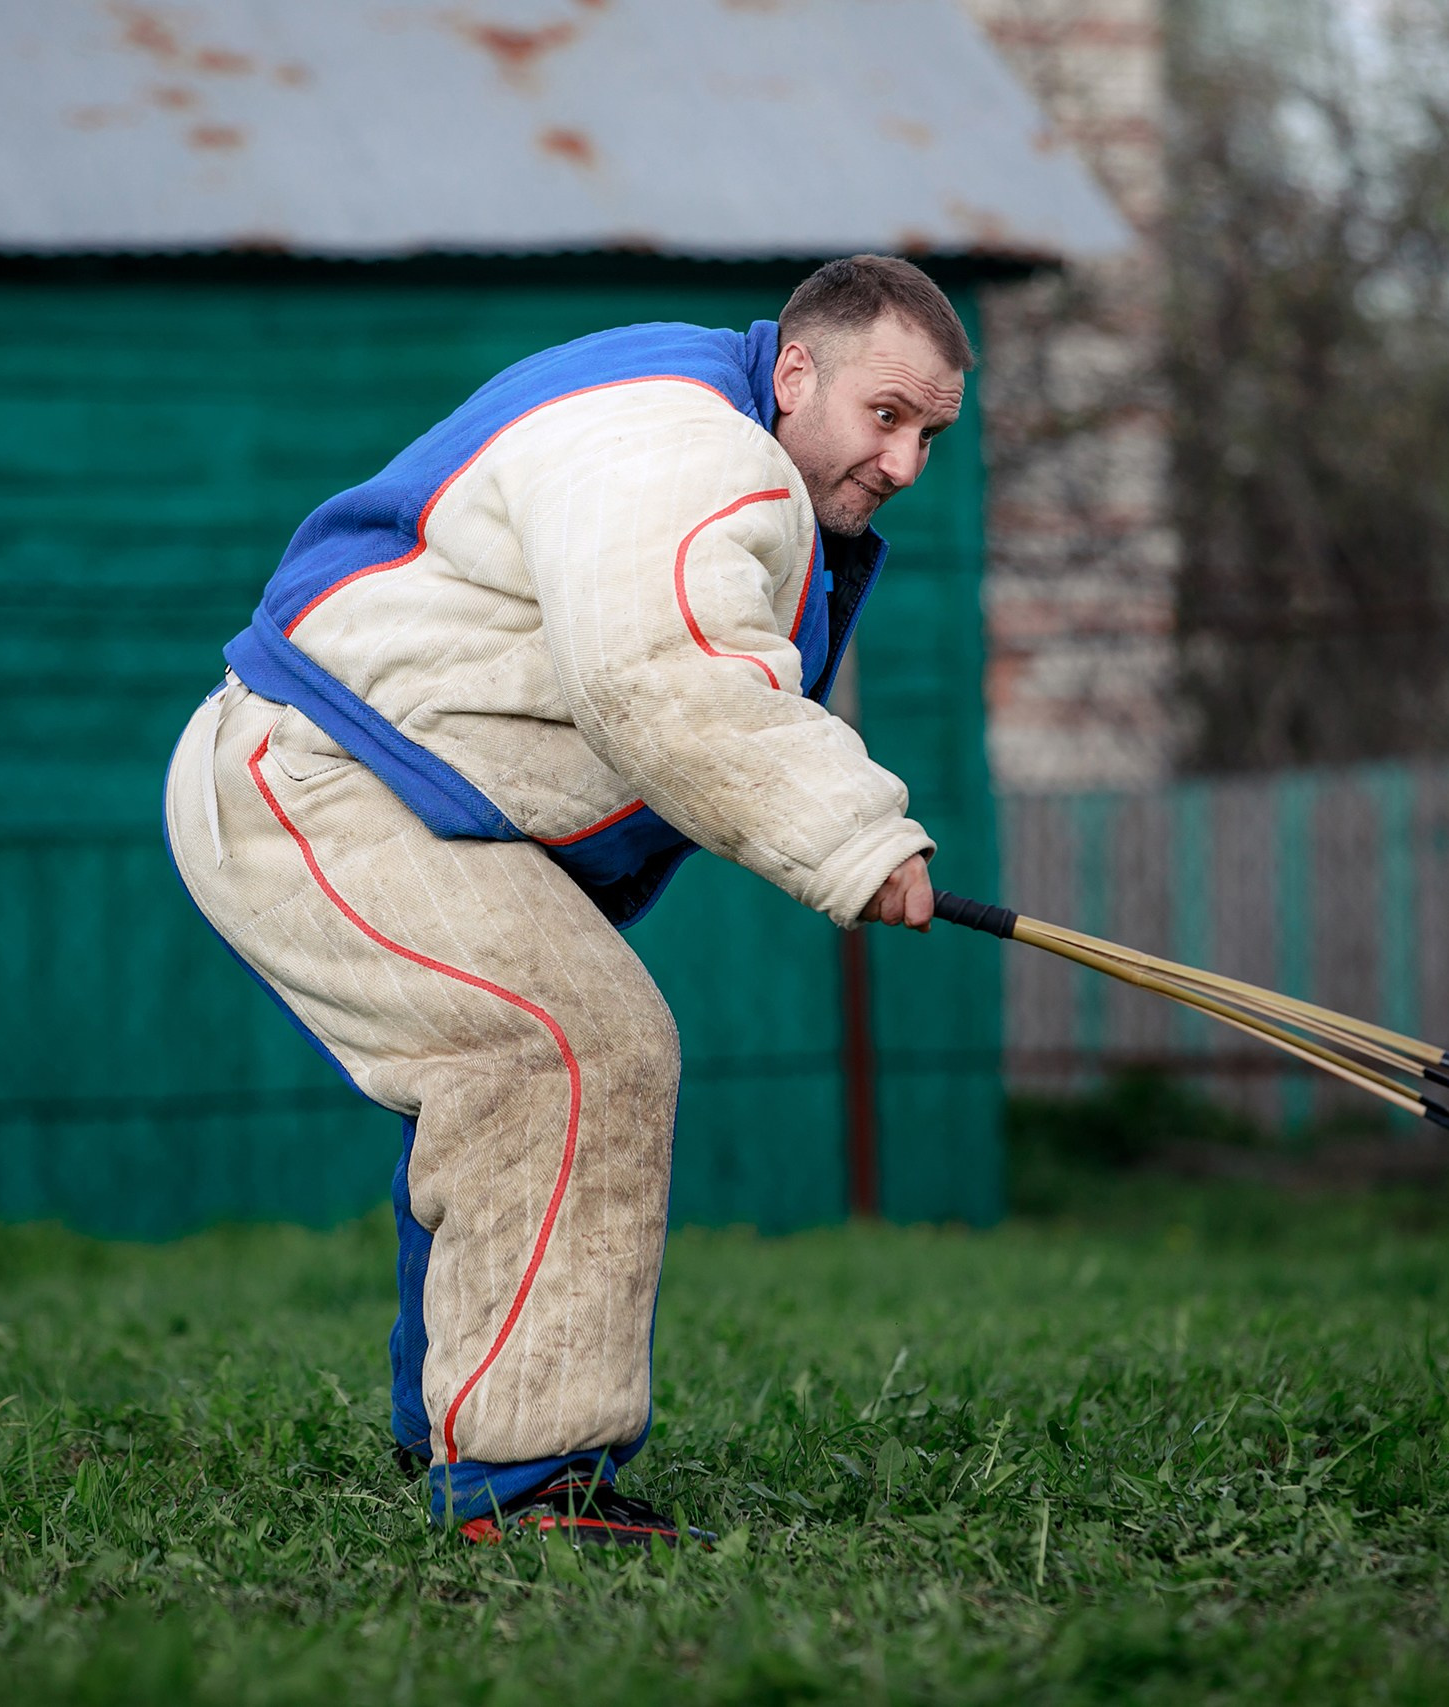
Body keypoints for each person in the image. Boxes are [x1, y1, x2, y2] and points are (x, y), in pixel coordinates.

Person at [163, 254, 968, 1545]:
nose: (907, 463)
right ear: (795, 372)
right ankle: (523, 1487)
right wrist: (858, 840)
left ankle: (454, 1434)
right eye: (887, 416)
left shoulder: (694, 410)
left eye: (931, 435)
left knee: (521, 1067)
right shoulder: (689, 443)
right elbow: (659, 673)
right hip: (324, 773)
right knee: (568, 1049)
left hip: (383, 781)